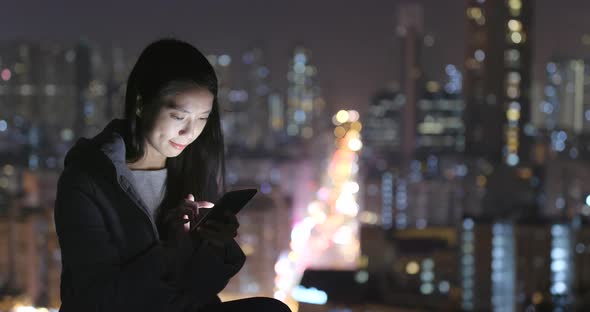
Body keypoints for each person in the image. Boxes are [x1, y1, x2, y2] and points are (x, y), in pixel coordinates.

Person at [54, 38, 291, 312]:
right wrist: (170, 252)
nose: (190, 133)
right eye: (179, 117)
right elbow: (97, 300)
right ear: (142, 104)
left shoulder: (189, 170)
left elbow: (202, 287)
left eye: (202, 118)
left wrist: (214, 244)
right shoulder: (89, 181)